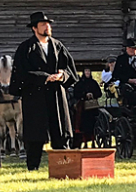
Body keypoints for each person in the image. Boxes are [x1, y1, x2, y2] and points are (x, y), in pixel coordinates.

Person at [10, 11, 79, 171]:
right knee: (35, 133)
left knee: (61, 130)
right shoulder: (26, 48)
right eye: (43, 24)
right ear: (34, 28)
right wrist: (44, 77)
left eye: (48, 24)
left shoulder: (58, 46)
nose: (47, 27)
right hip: (35, 95)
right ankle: (33, 167)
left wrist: (62, 75)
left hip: (56, 94)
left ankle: (64, 166)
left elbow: (70, 69)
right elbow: (20, 74)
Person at [72, 68, 103, 148]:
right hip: (83, 109)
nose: (87, 73)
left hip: (93, 109)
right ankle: (84, 142)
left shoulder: (93, 83)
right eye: (86, 71)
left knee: (93, 126)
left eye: (89, 71)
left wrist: (92, 94)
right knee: (83, 126)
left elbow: (99, 93)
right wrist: (84, 95)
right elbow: (76, 94)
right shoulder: (80, 84)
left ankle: (93, 142)